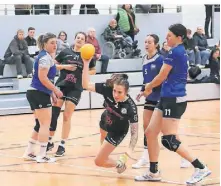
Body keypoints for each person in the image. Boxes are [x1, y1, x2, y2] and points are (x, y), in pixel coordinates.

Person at [135, 24, 211, 184]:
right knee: (150, 133)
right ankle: (153, 172)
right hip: (165, 97)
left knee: (169, 140)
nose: (167, 38)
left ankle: (201, 167)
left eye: (169, 35)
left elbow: (162, 76)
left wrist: (147, 88)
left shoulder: (175, 52)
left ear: (179, 37)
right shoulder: (175, 51)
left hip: (174, 99)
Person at [82, 60, 139, 173]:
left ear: (126, 92)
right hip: (106, 119)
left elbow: (135, 134)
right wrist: (86, 63)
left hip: (117, 131)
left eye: (119, 92)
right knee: (102, 145)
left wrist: (128, 153)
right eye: (114, 91)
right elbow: (85, 85)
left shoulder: (130, 107)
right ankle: (105, 154)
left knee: (98, 161)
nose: (116, 95)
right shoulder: (107, 89)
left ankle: (119, 164)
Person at [46, 32, 96, 157]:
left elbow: (93, 70)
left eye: (82, 39)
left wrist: (86, 67)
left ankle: (62, 145)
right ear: (74, 39)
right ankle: (49, 141)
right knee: (54, 114)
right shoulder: (65, 52)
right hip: (62, 85)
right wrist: (65, 66)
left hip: (76, 88)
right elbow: (53, 65)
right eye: (78, 37)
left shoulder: (87, 55)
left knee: (67, 116)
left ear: (85, 42)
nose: (79, 40)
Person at [23, 33, 63, 163]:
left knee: (40, 124)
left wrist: (51, 93)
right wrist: (55, 90)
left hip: (36, 92)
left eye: (55, 43)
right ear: (45, 44)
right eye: (52, 42)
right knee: (46, 124)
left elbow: (45, 79)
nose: (54, 45)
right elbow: (43, 78)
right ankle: (42, 155)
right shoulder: (45, 57)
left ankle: (29, 152)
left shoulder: (46, 57)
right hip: (38, 93)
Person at [132, 34, 163, 169]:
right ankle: (145, 157)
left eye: (149, 42)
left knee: (166, 130)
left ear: (156, 44)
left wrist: (151, 89)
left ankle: (182, 157)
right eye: (145, 42)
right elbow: (146, 79)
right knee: (146, 127)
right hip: (150, 97)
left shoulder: (161, 59)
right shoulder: (144, 59)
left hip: (161, 97)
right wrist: (142, 90)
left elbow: (163, 79)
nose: (146, 44)